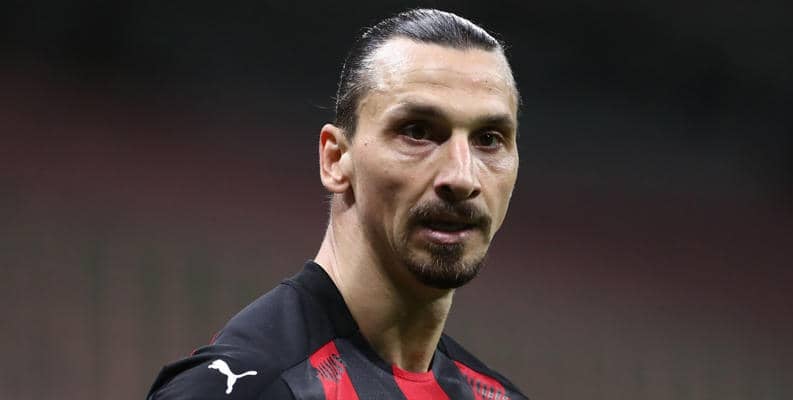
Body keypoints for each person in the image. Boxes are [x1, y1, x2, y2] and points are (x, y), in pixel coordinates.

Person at [147, 8, 526, 399]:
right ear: (335, 159)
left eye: (489, 139)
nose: (462, 177)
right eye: (417, 132)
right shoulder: (246, 387)